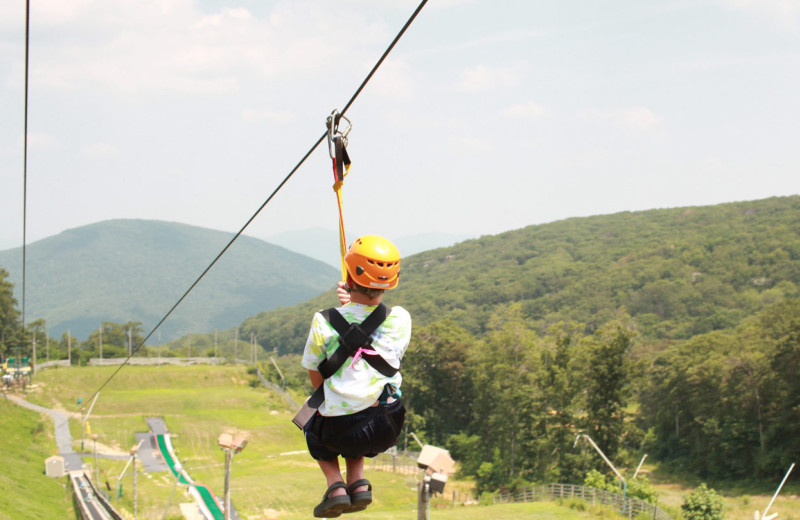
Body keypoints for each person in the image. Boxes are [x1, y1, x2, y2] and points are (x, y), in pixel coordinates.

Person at [301, 235, 411, 518]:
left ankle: (336, 486)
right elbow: (373, 321)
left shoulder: (324, 320)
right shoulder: (401, 318)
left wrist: (328, 398)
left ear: (349, 274)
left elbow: (314, 371)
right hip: (387, 422)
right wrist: (353, 304)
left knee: (310, 418)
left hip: (338, 428)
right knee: (359, 406)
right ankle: (358, 482)